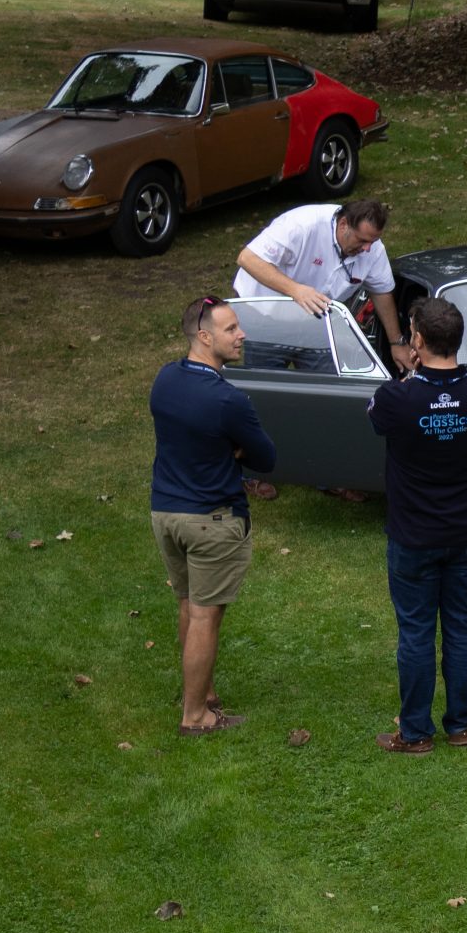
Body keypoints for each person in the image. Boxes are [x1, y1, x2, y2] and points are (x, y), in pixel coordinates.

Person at [366, 297, 467, 754]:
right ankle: (462, 724)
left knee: (417, 630)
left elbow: (378, 421)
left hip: (414, 535)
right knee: (463, 624)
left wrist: (414, 376)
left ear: (418, 341)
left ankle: (416, 731)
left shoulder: (396, 398)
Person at [149, 295, 278, 735]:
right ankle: (196, 716)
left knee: (188, 605)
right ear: (204, 337)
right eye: (230, 329)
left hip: (165, 514)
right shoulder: (228, 400)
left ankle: (201, 695)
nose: (241, 335)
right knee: (205, 616)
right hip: (211, 521)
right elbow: (266, 456)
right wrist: (234, 448)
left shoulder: (165, 379)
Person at [234, 197, 413, 499]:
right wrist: (295, 290)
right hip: (265, 320)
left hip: (318, 326)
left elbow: (382, 293)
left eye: (373, 241)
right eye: (363, 240)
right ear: (344, 225)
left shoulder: (373, 249)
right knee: (259, 403)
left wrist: (397, 343)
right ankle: (252, 472)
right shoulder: (301, 226)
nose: (368, 248)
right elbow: (247, 258)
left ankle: (330, 474)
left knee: (331, 399)